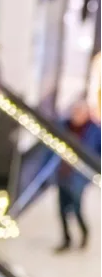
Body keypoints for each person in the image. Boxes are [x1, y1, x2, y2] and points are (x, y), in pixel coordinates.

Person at [52, 99, 102, 251]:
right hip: (63, 173)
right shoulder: (64, 126)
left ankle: (84, 234)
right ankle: (66, 240)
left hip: (79, 176)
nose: (77, 115)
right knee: (61, 210)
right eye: (75, 112)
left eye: (80, 112)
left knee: (76, 208)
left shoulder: (95, 131)